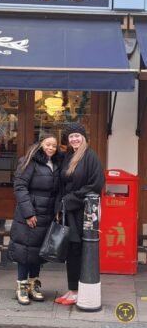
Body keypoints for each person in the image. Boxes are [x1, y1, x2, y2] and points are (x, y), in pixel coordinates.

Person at [54, 122, 105, 306]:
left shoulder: (91, 157)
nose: (74, 139)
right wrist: (61, 205)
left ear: (84, 137)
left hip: (81, 211)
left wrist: (71, 199)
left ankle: (77, 291)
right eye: (71, 137)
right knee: (71, 251)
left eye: (77, 135)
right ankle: (72, 289)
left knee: (78, 250)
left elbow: (96, 185)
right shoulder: (68, 155)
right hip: (68, 209)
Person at [8, 133, 61, 305]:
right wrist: (29, 213)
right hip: (30, 214)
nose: (51, 148)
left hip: (47, 215)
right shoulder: (30, 161)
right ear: (40, 144)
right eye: (48, 144)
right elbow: (20, 187)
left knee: (38, 252)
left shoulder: (56, 164)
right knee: (25, 251)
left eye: (54, 145)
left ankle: (33, 285)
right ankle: (21, 287)